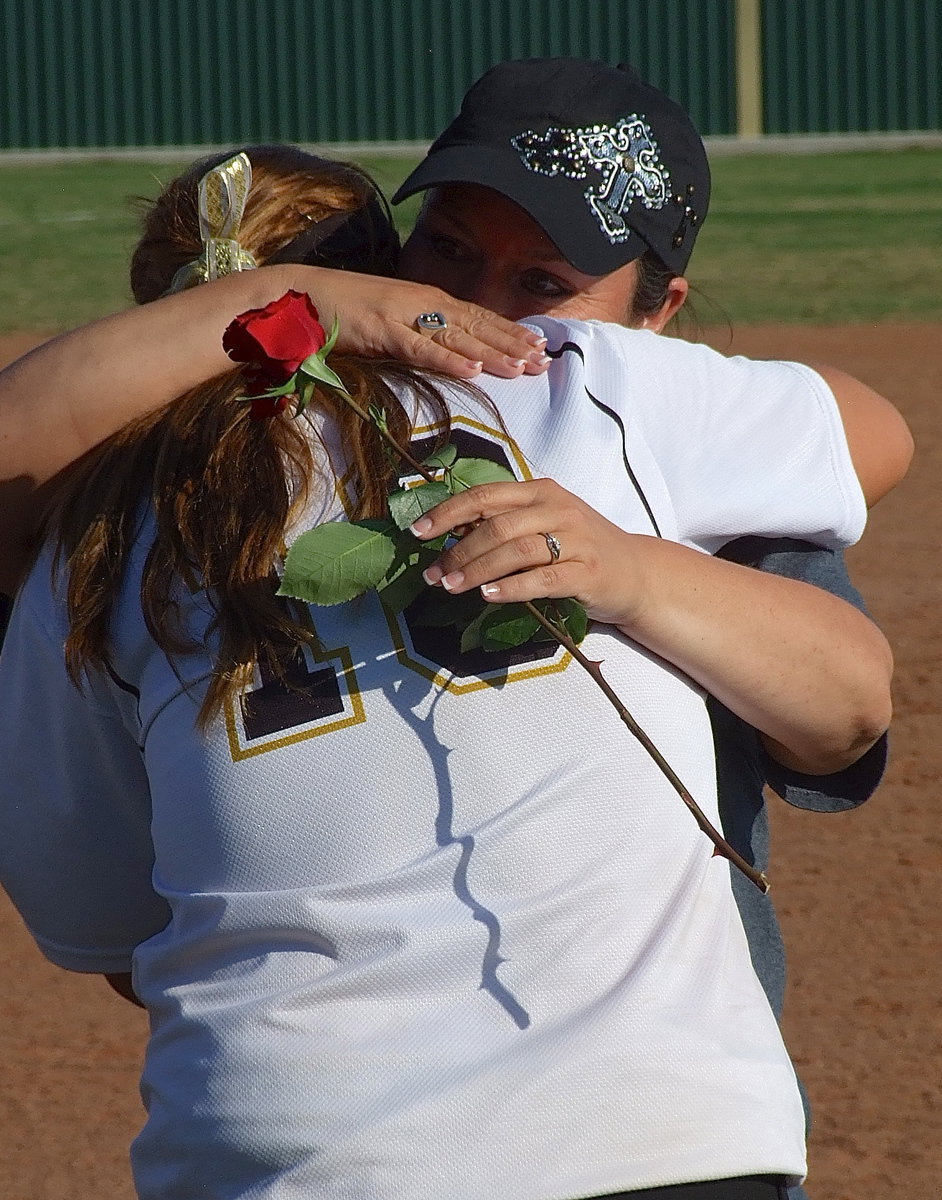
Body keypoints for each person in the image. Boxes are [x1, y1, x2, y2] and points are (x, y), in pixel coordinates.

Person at [0, 132, 896, 1198]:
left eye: (540, 281)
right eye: (453, 255)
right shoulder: (580, 374)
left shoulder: (84, 551)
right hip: (656, 1136)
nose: (490, 310)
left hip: (285, 1153)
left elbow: (114, 937)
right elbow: (875, 448)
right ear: (390, 270)